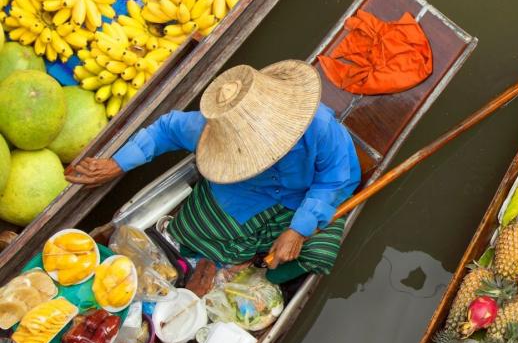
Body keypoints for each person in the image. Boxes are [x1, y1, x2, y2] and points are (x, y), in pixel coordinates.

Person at [67, 60, 361, 284]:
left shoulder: (320, 128)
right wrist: (117, 164)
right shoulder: (212, 131)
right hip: (245, 192)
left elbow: (334, 179)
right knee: (193, 232)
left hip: (306, 195)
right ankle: (236, 259)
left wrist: (298, 229)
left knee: (319, 252)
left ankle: (259, 266)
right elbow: (165, 129)